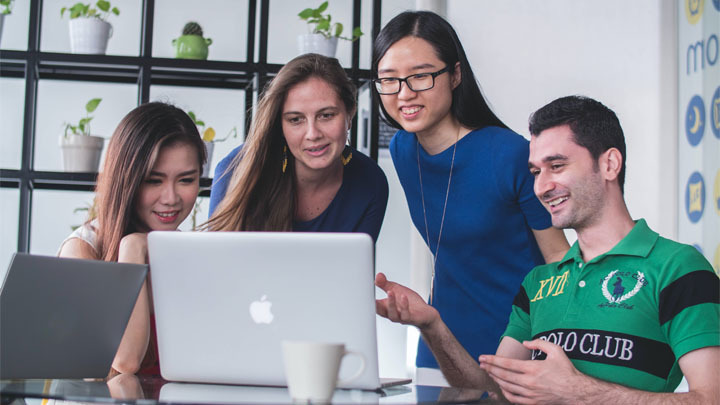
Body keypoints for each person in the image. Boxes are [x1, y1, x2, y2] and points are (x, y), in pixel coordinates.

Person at [376, 95, 720, 403]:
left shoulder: (678, 267)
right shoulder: (538, 282)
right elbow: (494, 389)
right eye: (536, 171)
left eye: (557, 166)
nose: (542, 186)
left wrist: (578, 391)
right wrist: (432, 325)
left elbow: (711, 397)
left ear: (609, 164)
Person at [372, 10, 569, 381]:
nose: (404, 93)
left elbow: (558, 258)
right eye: (390, 80)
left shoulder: (509, 154)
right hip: (440, 344)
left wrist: (552, 350)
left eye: (421, 76)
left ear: (456, 74)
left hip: (516, 347)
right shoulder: (403, 149)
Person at [58, 102, 206, 375]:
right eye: (154, 180)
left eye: (186, 180)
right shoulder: (82, 249)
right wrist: (132, 251)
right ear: (126, 180)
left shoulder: (185, 253)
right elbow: (125, 361)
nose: (171, 198)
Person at [207, 54, 388, 241]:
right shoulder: (236, 169)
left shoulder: (371, 182)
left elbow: (356, 267)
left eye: (326, 115)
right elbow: (216, 262)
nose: (312, 133)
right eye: (295, 119)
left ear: (350, 114)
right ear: (280, 125)